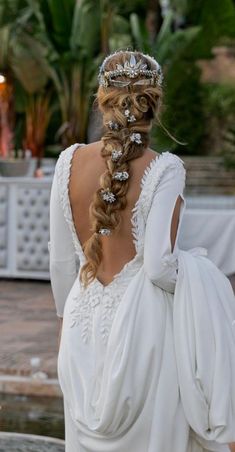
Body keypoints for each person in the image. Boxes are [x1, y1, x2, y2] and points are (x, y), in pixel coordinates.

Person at [49, 50, 235, 452]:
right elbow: (157, 267)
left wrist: (64, 330)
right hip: (143, 334)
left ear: (103, 99)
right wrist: (201, 273)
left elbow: (62, 263)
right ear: (154, 102)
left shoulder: (67, 163)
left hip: (80, 329)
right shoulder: (165, 169)